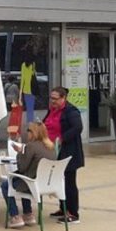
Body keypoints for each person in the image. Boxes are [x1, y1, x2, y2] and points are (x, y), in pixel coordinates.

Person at [1, 121, 56, 228]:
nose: (27, 133)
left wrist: (20, 153)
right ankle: (28, 214)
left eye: (28, 130)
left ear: (34, 133)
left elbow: (22, 167)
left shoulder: (31, 146)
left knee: (5, 185)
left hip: (32, 184)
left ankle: (15, 216)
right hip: (47, 184)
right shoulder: (51, 147)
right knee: (24, 179)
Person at [43, 86, 83, 223]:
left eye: (55, 99)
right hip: (54, 152)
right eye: (51, 98)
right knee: (59, 181)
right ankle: (63, 208)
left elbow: (78, 127)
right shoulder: (52, 109)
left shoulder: (71, 111)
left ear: (63, 98)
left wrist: (61, 139)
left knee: (70, 182)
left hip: (68, 152)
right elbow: (46, 123)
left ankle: (73, 213)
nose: (52, 101)